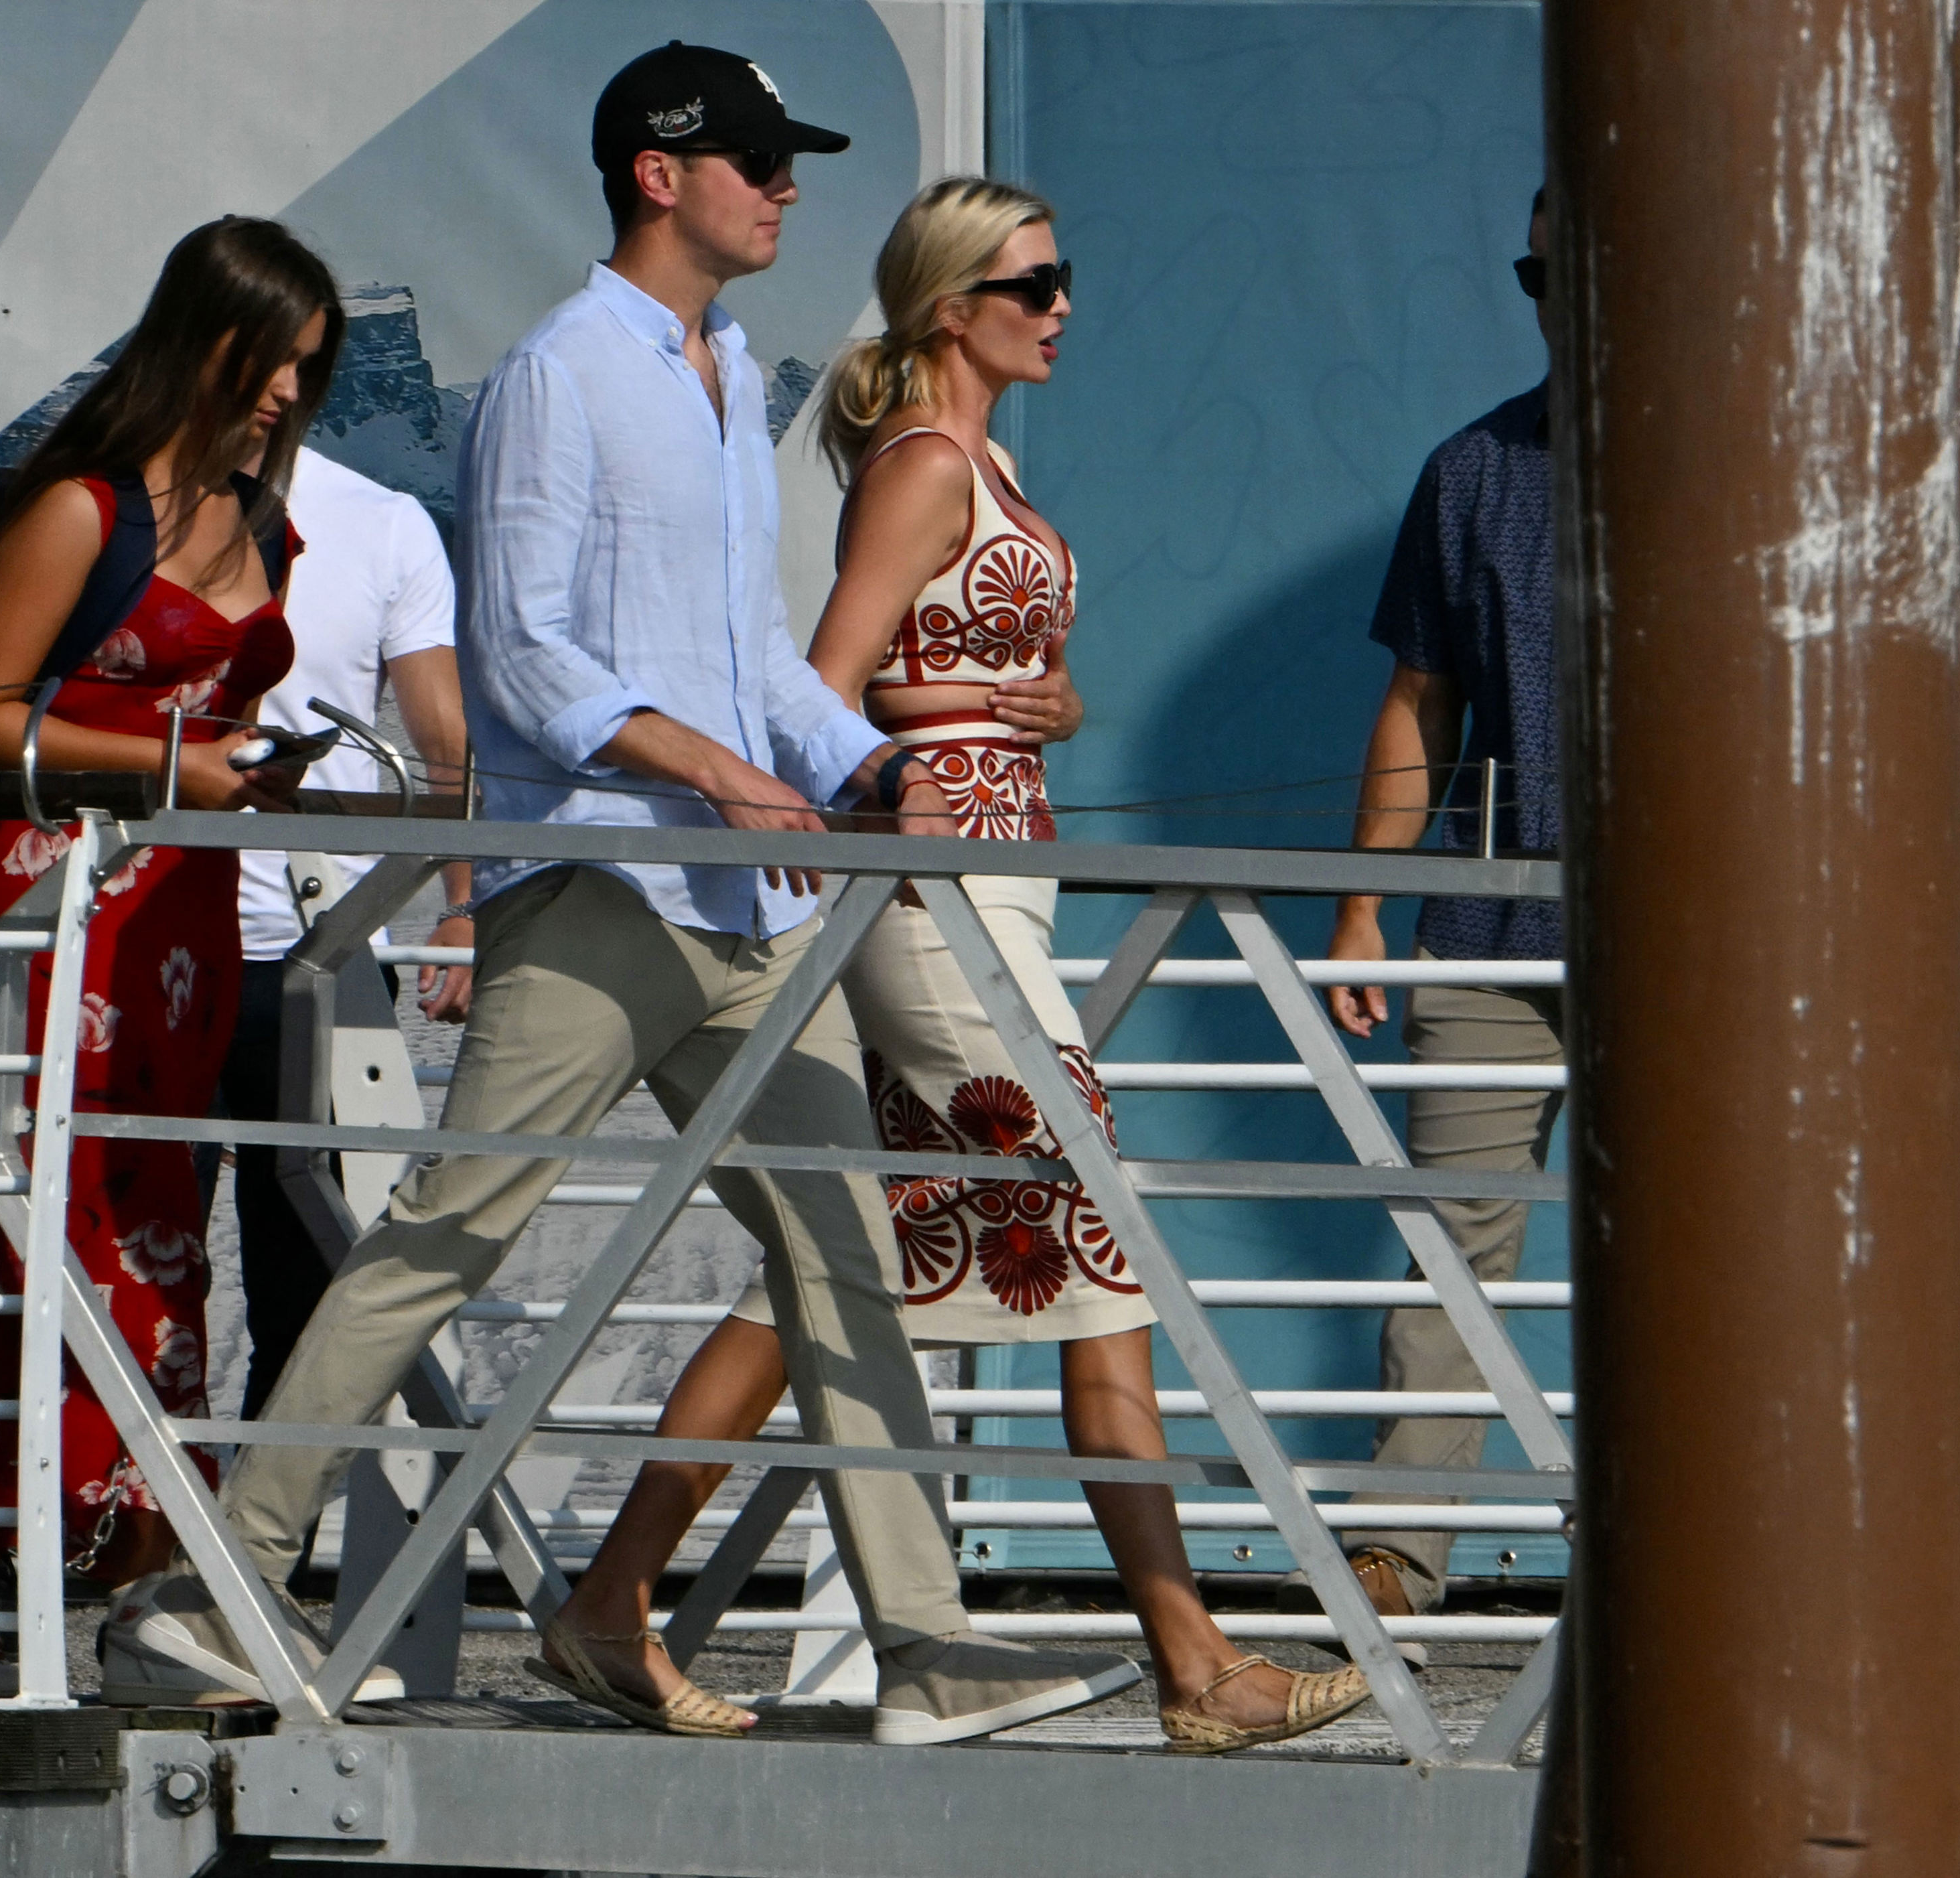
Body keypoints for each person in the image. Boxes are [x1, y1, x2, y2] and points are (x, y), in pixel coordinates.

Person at [109, 45, 1143, 1745]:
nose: (785, 187)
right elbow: (521, 654)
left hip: (746, 905)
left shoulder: (727, 374)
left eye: (786, 161)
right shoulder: (557, 371)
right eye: (754, 159)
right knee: (451, 1231)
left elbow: (755, 657)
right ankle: (217, 1591)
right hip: (598, 883)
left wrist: (856, 767)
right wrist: (720, 771)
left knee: (848, 1244)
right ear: (659, 176)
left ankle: (929, 1650)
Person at [544, 176, 1371, 1755]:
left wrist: (1048, 704)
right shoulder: (927, 463)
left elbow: (957, 668)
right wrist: (918, 759)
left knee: (834, 1262)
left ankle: (611, 1594)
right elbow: (825, 680)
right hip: (937, 906)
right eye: (1033, 284)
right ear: (951, 306)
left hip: (998, 888)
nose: (1063, 307)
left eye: (1064, 278)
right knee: (1099, 1232)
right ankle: (1193, 1658)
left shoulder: (986, 462)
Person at [0, 217, 340, 1697]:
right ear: (197, 340)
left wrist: (244, 770)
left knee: (162, 1232)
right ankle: (16, 1573)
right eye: (266, 355)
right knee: (54, 1229)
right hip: (59, 906)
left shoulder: (262, 522)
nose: (286, 389)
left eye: (307, 365)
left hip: (186, 915)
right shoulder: (84, 510)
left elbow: (214, 712)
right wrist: (169, 762)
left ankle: (121, 1582)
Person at [1311, 192, 1559, 1636]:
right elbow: (1417, 703)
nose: (1559, 295)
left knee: (1695, 1250)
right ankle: (1398, 1552)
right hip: (1484, 928)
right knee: (1452, 1246)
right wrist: (1361, 908)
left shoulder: (1758, 471)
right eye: (1537, 270)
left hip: (1699, 947)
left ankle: (1699, 1550)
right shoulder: (1472, 469)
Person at [211, 444, 474, 1418]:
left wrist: (464, 905)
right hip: (148, 938)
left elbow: (442, 736)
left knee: (308, 1279)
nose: (274, 386)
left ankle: (260, 1505)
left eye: (296, 370)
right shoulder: (113, 496)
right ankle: (131, 1500)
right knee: (131, 1259)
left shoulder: (382, 518)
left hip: (320, 947)